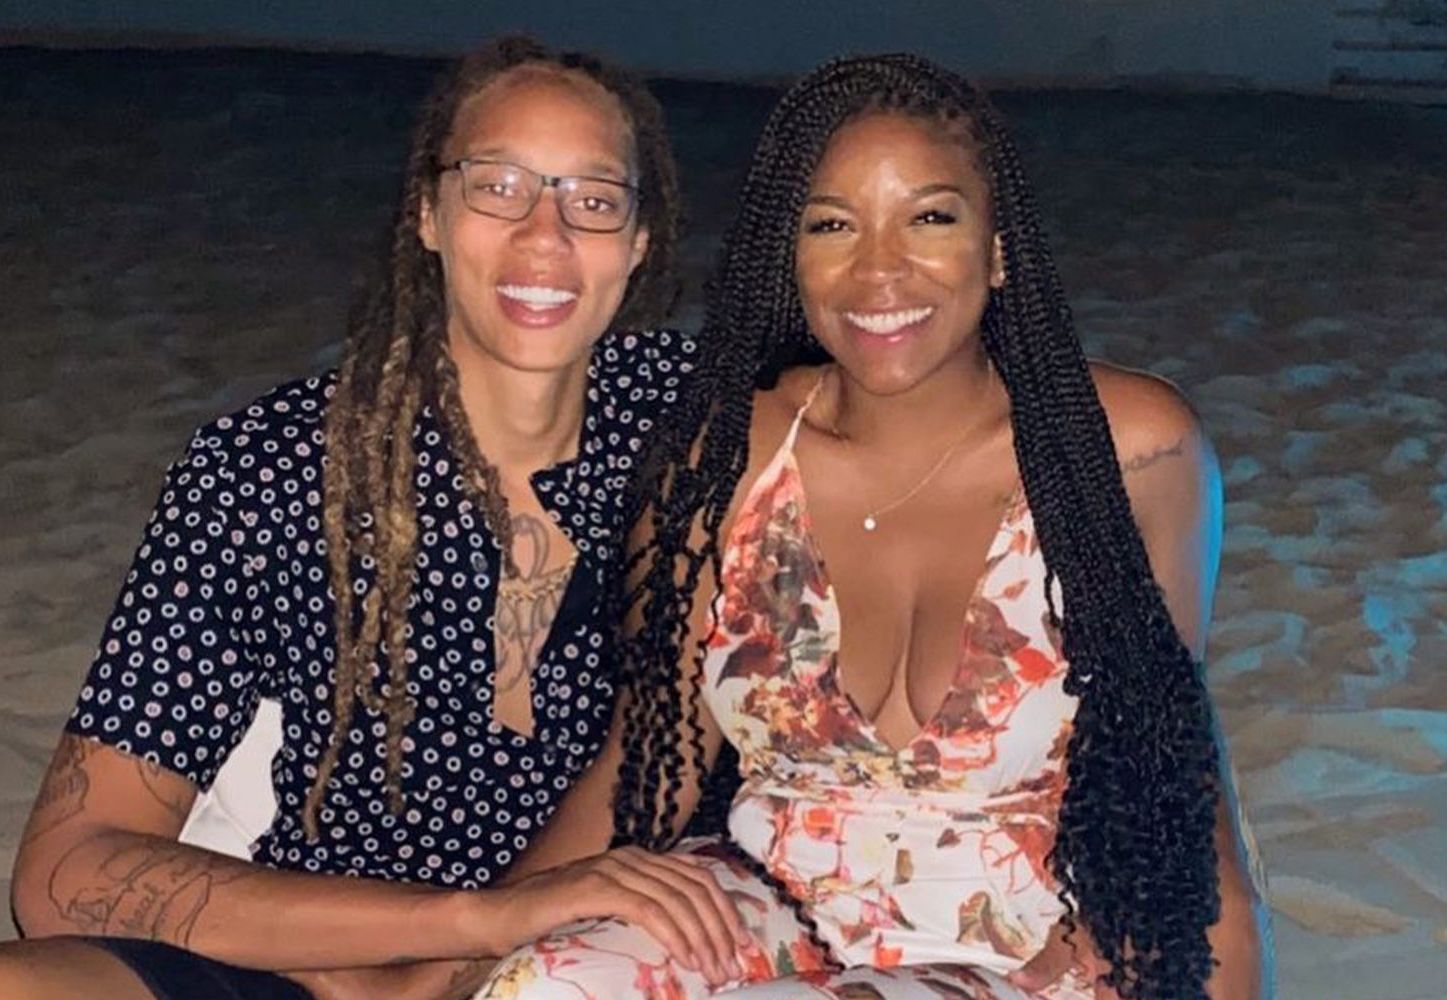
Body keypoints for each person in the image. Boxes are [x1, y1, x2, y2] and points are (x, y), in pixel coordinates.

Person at [0, 36, 748, 1000]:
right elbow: (68, 868)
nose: (546, 236)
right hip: (328, 957)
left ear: (639, 241)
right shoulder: (267, 470)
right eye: (497, 185)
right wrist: (449, 931)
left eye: (592, 199)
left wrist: (475, 957)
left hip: (603, 949)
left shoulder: (700, 425)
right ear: (429, 212)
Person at [474, 52, 1271, 1000]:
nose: (879, 270)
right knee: (544, 984)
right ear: (791, 253)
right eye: (832, 225)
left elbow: (1172, 766)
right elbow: (647, 760)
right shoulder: (721, 457)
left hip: (1025, 942)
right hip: (771, 904)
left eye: (930, 218)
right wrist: (470, 946)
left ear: (999, 247)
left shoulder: (1128, 451)